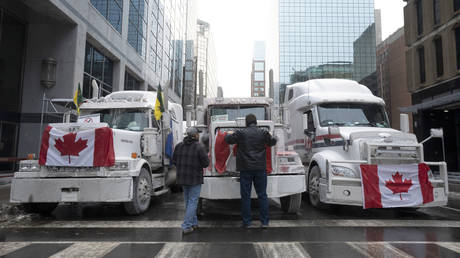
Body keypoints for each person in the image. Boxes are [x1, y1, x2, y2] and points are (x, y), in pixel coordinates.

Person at [224, 114, 277, 228]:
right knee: (262, 195)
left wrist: (230, 133)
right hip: (260, 168)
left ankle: (247, 222)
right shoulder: (263, 132)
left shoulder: (241, 133)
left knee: (246, 196)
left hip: (245, 169)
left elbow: (228, 140)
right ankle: (264, 222)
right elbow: (272, 142)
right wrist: (272, 135)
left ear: (246, 123)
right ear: (256, 122)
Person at [173, 126, 210, 234]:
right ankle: (186, 225)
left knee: (188, 201)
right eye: (197, 134)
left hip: (182, 178)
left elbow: (174, 161)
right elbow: (206, 163)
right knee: (193, 201)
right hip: (195, 178)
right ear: (195, 136)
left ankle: (193, 222)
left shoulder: (179, 146)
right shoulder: (199, 147)